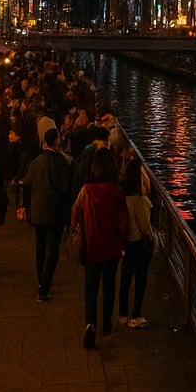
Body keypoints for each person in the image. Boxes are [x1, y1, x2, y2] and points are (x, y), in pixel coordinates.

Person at [71, 146, 129, 349]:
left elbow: (75, 212)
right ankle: (106, 322)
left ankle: (90, 323)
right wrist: (121, 242)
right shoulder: (118, 192)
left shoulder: (86, 190)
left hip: (91, 247)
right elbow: (123, 223)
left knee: (90, 288)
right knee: (109, 287)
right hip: (111, 248)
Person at [24, 127, 72, 302]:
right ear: (57, 141)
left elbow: (27, 182)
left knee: (40, 246)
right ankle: (44, 288)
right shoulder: (60, 161)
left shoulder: (36, 161)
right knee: (52, 247)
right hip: (54, 211)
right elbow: (66, 186)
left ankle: (40, 282)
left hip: (38, 210)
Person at [117, 146, 154, 329]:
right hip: (139, 243)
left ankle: (122, 313)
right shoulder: (140, 200)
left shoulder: (122, 197)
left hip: (126, 241)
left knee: (125, 277)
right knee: (140, 279)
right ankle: (136, 315)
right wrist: (152, 237)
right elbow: (145, 226)